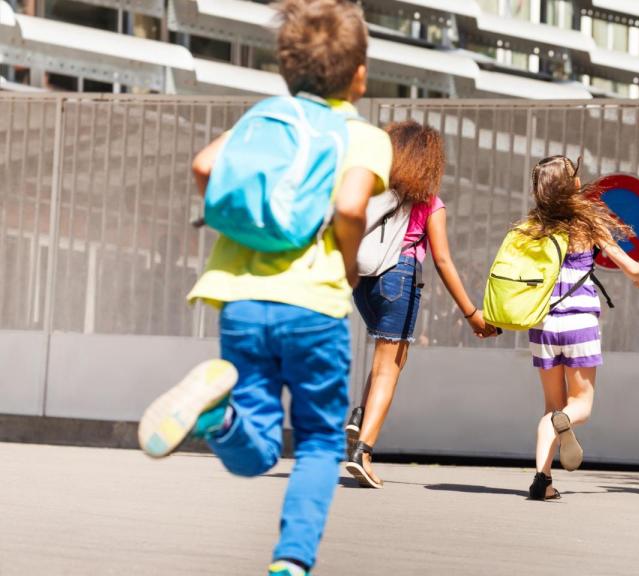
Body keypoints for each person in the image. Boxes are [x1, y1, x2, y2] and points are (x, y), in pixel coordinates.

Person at [136, 2, 390, 575]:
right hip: (314, 307)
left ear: (285, 68)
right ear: (359, 74)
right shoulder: (363, 135)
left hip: (239, 299)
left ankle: (217, 419)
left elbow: (204, 166)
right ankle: (291, 561)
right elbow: (351, 205)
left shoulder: (261, 117)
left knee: (254, 449)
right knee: (322, 441)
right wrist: (348, 265)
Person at [343, 120, 495, 488]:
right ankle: (363, 450)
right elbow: (443, 261)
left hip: (362, 281)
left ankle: (360, 417)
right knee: (389, 367)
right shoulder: (430, 202)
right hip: (400, 276)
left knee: (387, 361)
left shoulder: (373, 192)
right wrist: (472, 313)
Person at [522, 155, 639, 501]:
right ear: (571, 184)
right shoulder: (587, 221)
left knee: (552, 404)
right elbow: (627, 264)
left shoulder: (535, 226)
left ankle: (542, 479)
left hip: (544, 323)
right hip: (580, 321)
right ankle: (561, 424)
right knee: (579, 405)